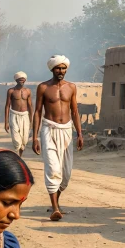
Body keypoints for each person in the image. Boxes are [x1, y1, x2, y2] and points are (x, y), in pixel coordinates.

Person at [31, 55, 83, 220]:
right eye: (57, 68)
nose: (61, 71)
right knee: (53, 169)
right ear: (52, 69)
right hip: (49, 129)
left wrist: (80, 134)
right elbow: (38, 111)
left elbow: (75, 111)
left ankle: (56, 202)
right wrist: (35, 137)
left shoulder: (71, 87)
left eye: (63, 68)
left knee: (65, 174)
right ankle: (54, 208)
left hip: (67, 130)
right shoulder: (43, 87)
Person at [4, 73, 32, 156]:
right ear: (16, 80)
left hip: (25, 116)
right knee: (16, 138)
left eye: (23, 79)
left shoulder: (28, 91)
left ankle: (20, 156)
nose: (21, 81)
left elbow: (30, 106)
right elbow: (7, 106)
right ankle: (17, 155)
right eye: (19, 79)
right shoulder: (11, 91)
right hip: (14, 115)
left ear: (25, 80)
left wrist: (31, 120)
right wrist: (6, 122)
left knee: (25, 139)